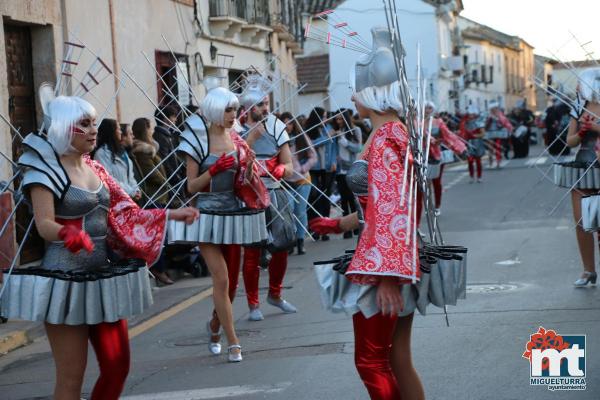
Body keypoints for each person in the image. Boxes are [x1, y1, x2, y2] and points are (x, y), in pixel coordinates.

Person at [0, 85, 198, 400]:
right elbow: (44, 224)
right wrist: (67, 233)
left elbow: (125, 213)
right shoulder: (44, 169)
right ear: (65, 128)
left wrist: (172, 213)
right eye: (86, 124)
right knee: (70, 378)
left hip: (102, 275)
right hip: (64, 280)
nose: (95, 130)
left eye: (94, 123)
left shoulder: (96, 167)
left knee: (117, 366)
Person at [309, 27, 425, 400]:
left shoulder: (388, 139)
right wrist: (341, 223)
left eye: (354, 88)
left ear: (371, 94)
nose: (351, 96)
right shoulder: (389, 133)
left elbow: (397, 210)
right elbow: (381, 204)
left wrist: (388, 276)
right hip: (394, 254)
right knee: (397, 358)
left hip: (386, 263)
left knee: (371, 361)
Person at [169, 82, 270, 362]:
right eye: (228, 110)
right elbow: (191, 187)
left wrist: (248, 168)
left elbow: (245, 181)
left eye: (235, 109)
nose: (234, 115)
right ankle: (233, 341)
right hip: (206, 216)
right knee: (222, 278)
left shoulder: (237, 139)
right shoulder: (195, 142)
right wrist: (213, 170)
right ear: (214, 111)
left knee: (231, 285)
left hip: (233, 214)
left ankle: (215, 326)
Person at [239, 74, 298, 321]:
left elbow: (290, 165)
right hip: (249, 196)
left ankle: (275, 293)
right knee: (252, 251)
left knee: (283, 245)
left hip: (275, 192)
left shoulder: (276, 126)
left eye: (266, 104)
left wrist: (279, 170)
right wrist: (249, 140)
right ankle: (253, 304)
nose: (266, 109)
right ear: (249, 108)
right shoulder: (235, 129)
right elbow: (231, 161)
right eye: (261, 105)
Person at [555, 68, 600, 287]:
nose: (577, 87)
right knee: (582, 221)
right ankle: (588, 270)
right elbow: (569, 141)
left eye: (581, 83)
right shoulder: (578, 106)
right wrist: (582, 132)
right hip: (583, 166)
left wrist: (596, 127)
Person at [418, 101, 467, 220]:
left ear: (433, 109)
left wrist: (459, 148)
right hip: (423, 155)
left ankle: (437, 206)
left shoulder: (438, 122)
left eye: (429, 108)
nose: (427, 110)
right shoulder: (418, 123)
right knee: (425, 182)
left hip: (437, 155)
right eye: (425, 107)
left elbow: (448, 136)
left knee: (436, 182)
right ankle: (428, 205)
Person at [281, 111, 317, 255]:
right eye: (284, 122)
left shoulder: (302, 138)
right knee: (288, 211)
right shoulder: (279, 140)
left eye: (289, 122)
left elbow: (313, 157)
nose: (287, 125)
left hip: (303, 180)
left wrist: (303, 168)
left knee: (300, 211)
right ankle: (291, 241)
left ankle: (301, 241)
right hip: (286, 181)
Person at [306, 107, 337, 240]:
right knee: (314, 196)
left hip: (327, 167)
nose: (326, 119)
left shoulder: (328, 128)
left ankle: (326, 227)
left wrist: (334, 161)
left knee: (326, 196)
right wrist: (326, 137)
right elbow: (311, 145)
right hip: (314, 168)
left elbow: (333, 146)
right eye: (323, 116)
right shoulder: (309, 130)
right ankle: (315, 226)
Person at [93, 119, 140, 200]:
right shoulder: (101, 154)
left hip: (128, 198)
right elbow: (108, 179)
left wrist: (136, 190)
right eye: (118, 129)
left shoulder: (122, 152)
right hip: (115, 200)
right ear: (111, 131)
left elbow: (130, 176)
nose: (120, 132)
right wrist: (130, 192)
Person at [335, 109, 362, 238]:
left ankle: (356, 225)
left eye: (341, 118)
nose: (338, 121)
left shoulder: (355, 130)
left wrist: (345, 143)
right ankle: (347, 229)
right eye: (337, 119)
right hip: (340, 169)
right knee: (344, 199)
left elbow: (358, 147)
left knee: (353, 199)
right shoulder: (336, 132)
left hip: (352, 168)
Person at [131, 117, 170, 207]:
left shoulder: (150, 148)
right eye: (150, 128)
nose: (152, 130)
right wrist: (165, 182)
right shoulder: (142, 151)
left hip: (159, 195)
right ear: (145, 130)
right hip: (154, 196)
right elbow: (151, 173)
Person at [153, 105, 184, 185]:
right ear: (165, 118)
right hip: (171, 180)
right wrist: (175, 177)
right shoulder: (160, 137)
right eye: (173, 116)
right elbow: (165, 161)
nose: (176, 119)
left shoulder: (168, 134)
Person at [460, 105, 486, 183]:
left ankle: (479, 176)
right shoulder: (465, 122)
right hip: (468, 143)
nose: (470, 115)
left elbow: (483, 134)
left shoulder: (479, 121)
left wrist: (474, 135)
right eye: (469, 114)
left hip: (477, 143)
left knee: (478, 161)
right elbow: (462, 131)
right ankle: (471, 176)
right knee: (470, 161)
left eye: (472, 114)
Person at [485, 100, 513, 168]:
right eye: (493, 108)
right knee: (490, 148)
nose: (494, 109)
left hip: (498, 133)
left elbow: (505, 122)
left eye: (495, 108)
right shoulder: (487, 115)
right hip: (490, 133)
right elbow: (484, 124)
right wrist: (489, 120)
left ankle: (498, 162)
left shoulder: (500, 115)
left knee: (498, 147)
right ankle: (491, 162)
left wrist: (510, 128)